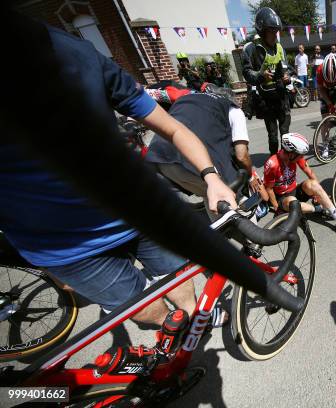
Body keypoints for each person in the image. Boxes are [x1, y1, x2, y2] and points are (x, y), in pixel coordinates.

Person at [0, 21, 237, 325]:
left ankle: (193, 317)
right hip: (66, 248)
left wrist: (211, 177)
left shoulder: (76, 51)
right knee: (148, 311)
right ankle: (173, 325)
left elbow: (172, 128)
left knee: (178, 276)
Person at [146, 84, 267, 220]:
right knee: (233, 193)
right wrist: (250, 177)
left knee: (209, 192)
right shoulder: (232, 109)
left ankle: (222, 231)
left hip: (157, 158)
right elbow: (241, 154)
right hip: (188, 163)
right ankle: (251, 239)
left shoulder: (188, 96)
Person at [263, 133, 336, 240]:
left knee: (313, 184)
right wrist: (277, 209)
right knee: (292, 201)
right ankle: (318, 209)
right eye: (300, 155)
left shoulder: (295, 156)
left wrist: (317, 193)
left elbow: (310, 173)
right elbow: (269, 189)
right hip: (281, 199)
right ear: (291, 153)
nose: (302, 157)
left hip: (293, 190)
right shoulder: (273, 164)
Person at [242, 7, 291, 155]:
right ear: (262, 30)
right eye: (271, 31)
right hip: (266, 100)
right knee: (273, 137)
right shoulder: (252, 49)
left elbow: (287, 67)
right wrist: (261, 76)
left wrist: (287, 76)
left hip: (282, 97)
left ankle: (285, 162)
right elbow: (247, 73)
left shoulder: (280, 47)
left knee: (285, 135)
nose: (275, 35)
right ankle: (274, 160)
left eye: (276, 31)